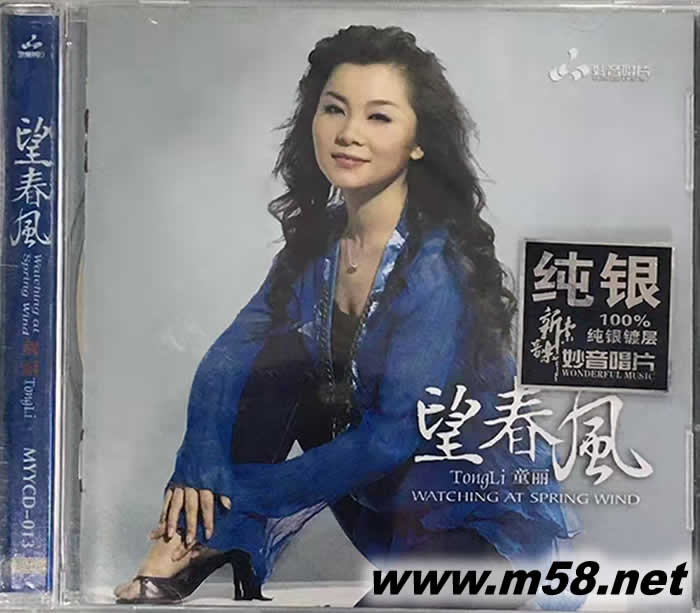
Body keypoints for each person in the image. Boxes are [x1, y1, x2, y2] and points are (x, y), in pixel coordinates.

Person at [114, 25, 580, 609]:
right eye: (334, 109)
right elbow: (233, 353)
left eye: (378, 117)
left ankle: (217, 527)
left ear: (418, 142)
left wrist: (235, 491)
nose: (348, 133)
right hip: (390, 510)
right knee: (273, 364)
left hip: (475, 530)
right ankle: (199, 540)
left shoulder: (436, 267)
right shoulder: (320, 246)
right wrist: (197, 461)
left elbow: (390, 440)